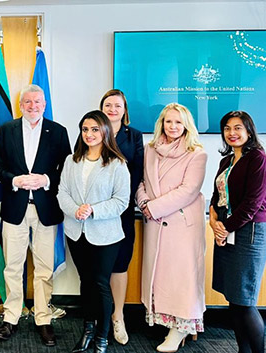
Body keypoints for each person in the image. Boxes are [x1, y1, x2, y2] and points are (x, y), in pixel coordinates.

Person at [0, 84, 71, 347]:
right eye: (28, 102)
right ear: (20, 105)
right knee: (12, 266)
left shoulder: (58, 132)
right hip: (15, 207)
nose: (33, 106)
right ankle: (11, 316)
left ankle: (43, 319)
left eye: (38, 102)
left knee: (44, 268)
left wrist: (46, 179)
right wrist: (15, 180)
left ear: (44, 105)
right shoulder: (6, 130)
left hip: (46, 209)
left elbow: (67, 171)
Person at [135, 103, 207, 353]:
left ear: (186, 125)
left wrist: (154, 208)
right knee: (161, 276)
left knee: (182, 278)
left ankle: (181, 327)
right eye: (168, 121)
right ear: (161, 123)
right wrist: (144, 202)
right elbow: (141, 181)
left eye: (178, 122)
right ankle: (167, 322)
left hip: (181, 225)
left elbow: (188, 190)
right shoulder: (150, 150)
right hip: (155, 223)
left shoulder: (197, 153)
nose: (173, 126)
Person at [57, 110, 130, 353]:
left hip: (105, 235)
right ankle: (87, 330)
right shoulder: (72, 160)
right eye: (85, 129)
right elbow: (62, 193)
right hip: (76, 232)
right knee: (85, 282)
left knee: (100, 283)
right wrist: (75, 210)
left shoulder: (117, 164)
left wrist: (92, 210)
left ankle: (102, 335)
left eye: (95, 129)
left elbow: (122, 201)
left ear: (105, 132)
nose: (89, 134)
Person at [210, 111, 266, 353]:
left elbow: (251, 204)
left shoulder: (258, 159)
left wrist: (224, 228)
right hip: (227, 230)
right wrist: (213, 220)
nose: (232, 133)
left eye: (238, 128)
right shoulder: (226, 161)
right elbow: (218, 198)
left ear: (249, 131)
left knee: (245, 301)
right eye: (227, 128)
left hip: (250, 233)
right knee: (234, 300)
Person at [99, 89, 144, 345]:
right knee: (96, 266)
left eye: (117, 105)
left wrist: (119, 201)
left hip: (122, 210)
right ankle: (98, 317)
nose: (112, 109)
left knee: (119, 263)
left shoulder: (134, 136)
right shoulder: (92, 130)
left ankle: (118, 317)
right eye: (108, 104)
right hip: (94, 211)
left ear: (124, 109)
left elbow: (136, 171)